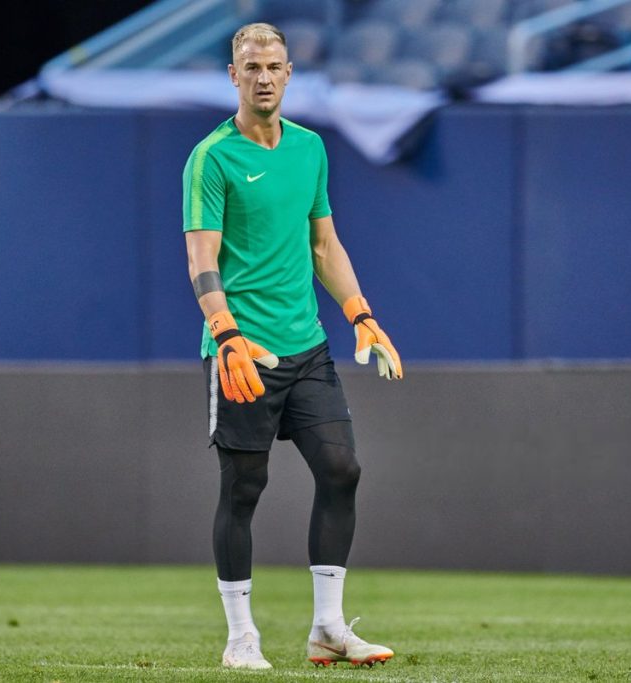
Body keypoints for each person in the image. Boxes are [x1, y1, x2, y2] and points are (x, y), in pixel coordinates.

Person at [182, 22, 404, 670]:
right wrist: (226, 333)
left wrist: (360, 312)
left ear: (288, 72)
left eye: (275, 65)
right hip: (242, 350)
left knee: (343, 469)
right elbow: (202, 259)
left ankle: (328, 627)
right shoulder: (211, 157)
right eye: (252, 66)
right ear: (233, 75)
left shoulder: (309, 149)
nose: (265, 76)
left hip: (307, 347)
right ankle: (240, 637)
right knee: (243, 486)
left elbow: (324, 245)